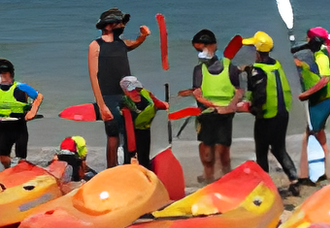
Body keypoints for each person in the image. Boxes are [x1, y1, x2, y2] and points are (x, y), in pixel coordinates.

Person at [88, 8, 151, 168]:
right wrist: (101, 105)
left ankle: (130, 167)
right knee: (113, 135)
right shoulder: (95, 46)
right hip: (108, 96)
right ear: (108, 25)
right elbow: (94, 76)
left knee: (131, 133)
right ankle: (111, 170)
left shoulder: (121, 43)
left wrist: (143, 35)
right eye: (119, 22)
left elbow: (135, 43)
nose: (122, 25)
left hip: (128, 96)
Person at [241, 30, 300, 196]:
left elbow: (260, 94)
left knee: (262, 150)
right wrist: (247, 70)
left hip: (267, 116)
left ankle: (264, 186)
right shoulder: (276, 64)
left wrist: (253, 109)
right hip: (282, 113)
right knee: (279, 148)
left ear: (257, 52)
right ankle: (294, 179)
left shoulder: (256, 71)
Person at [182, 29, 243, 183]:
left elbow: (238, 90)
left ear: (213, 46)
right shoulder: (199, 70)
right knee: (208, 151)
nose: (199, 53)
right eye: (197, 50)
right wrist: (215, 106)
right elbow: (198, 94)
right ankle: (208, 178)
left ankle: (227, 178)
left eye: (202, 49)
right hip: (207, 113)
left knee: (223, 151)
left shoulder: (230, 67)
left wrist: (232, 105)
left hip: (226, 114)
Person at [294, 26, 330, 183]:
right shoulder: (319, 53)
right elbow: (310, 69)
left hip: (322, 101)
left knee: (309, 136)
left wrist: (306, 94)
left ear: (313, 40)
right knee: (318, 135)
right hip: (323, 100)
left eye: (308, 38)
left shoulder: (321, 56)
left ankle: (305, 175)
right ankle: (323, 172)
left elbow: (324, 79)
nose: (306, 40)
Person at [0, 58, 42, 169]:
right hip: (3, 126)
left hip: (19, 126)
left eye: (4, 74)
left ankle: (20, 170)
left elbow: (38, 96)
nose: (1, 77)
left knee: (21, 158)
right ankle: (9, 171)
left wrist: (33, 111)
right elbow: (0, 104)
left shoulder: (20, 87)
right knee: (3, 157)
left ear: (10, 74)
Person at [119, 75, 170, 167]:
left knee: (144, 156)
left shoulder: (145, 93)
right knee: (129, 155)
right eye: (131, 90)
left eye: (136, 89)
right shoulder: (124, 102)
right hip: (132, 131)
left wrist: (166, 106)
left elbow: (157, 103)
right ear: (125, 91)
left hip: (146, 128)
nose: (135, 92)